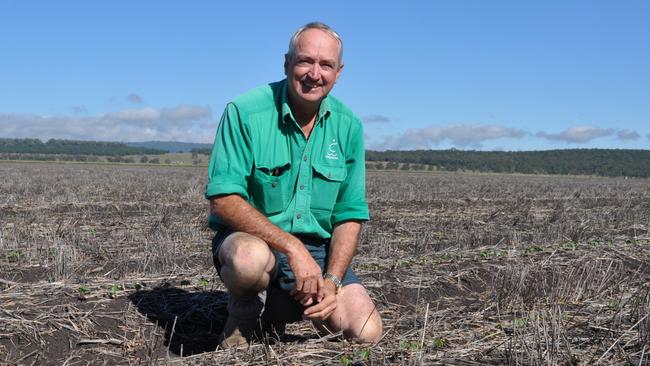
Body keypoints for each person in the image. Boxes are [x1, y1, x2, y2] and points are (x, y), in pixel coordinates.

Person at [204, 21, 383, 348]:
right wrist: (292, 247)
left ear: (338, 73)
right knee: (247, 261)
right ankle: (244, 315)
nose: (314, 73)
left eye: (326, 65)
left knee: (365, 332)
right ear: (287, 63)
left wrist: (331, 280)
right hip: (254, 239)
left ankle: (281, 309)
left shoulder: (349, 127)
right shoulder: (245, 112)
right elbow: (223, 199)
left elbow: (349, 215)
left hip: (317, 250)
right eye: (305, 61)